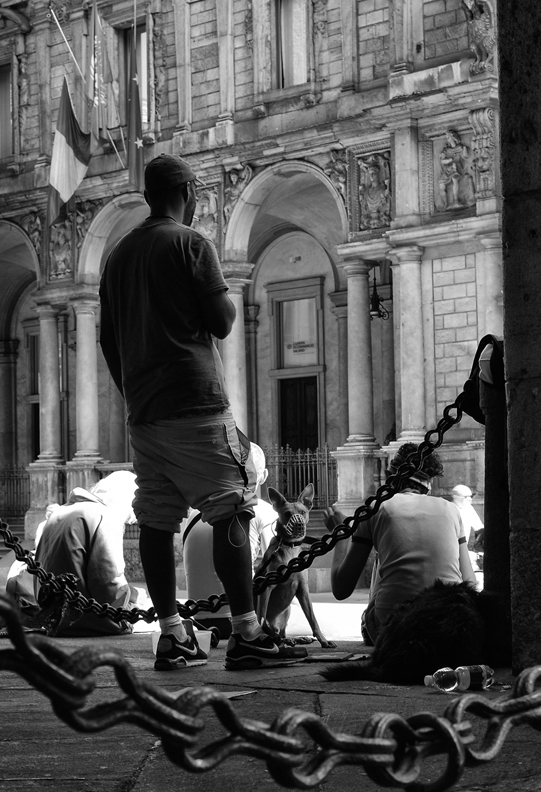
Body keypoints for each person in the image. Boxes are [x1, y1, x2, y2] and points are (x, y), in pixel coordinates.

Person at [99, 153, 306, 671]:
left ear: (150, 195)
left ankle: (172, 635)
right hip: (195, 400)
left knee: (156, 516)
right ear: (188, 193)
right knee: (231, 506)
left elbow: (107, 341)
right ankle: (246, 631)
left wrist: (134, 392)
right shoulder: (192, 244)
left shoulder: (118, 257)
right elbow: (221, 321)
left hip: (145, 412)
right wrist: (227, 300)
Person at [331, 443, 476, 645]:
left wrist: (340, 535)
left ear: (392, 476)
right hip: (448, 626)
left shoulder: (375, 508)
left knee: (383, 552)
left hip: (391, 631)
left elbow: (341, 590)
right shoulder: (451, 510)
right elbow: (470, 583)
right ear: (429, 481)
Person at [5, 471, 142, 636]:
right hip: (89, 620)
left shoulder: (61, 512)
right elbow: (107, 581)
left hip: (57, 618)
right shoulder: (104, 516)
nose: (128, 519)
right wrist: (131, 599)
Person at [181, 442, 280, 640]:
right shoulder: (263, 509)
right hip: (240, 619)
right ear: (265, 476)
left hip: (199, 621)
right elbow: (277, 570)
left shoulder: (194, 514)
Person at [449, 484, 485, 584]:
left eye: (471, 496)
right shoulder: (450, 509)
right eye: (466, 497)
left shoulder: (469, 509)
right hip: (452, 551)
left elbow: (479, 528)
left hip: (464, 550)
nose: (469, 499)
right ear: (456, 496)